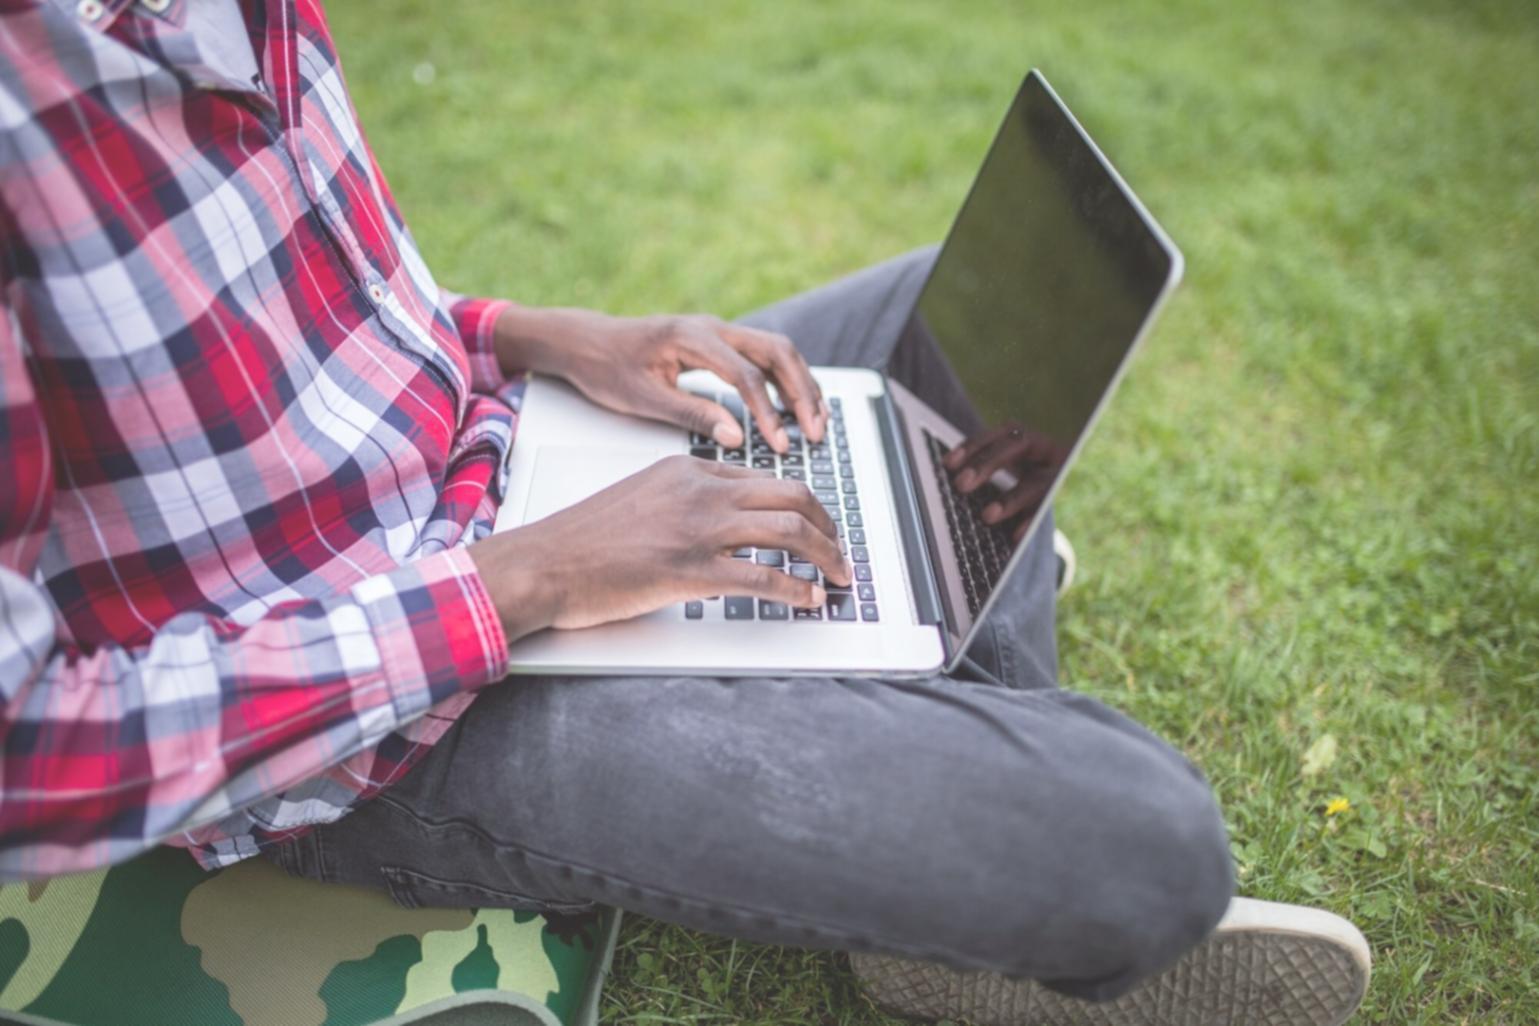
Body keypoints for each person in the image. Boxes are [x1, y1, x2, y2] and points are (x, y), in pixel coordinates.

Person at [0, 1, 1369, 1022]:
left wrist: (534, 336)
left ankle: (912, 674)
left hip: (517, 454)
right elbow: (26, 751)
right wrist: (526, 580)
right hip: (379, 727)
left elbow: (318, 327)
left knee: (937, 311)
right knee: (1149, 841)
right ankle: (942, 728)